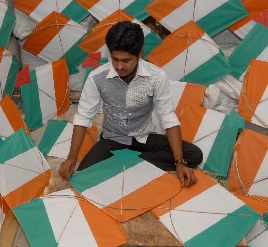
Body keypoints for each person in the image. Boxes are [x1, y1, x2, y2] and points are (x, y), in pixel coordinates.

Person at [59, 21, 202, 187]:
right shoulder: (97, 77)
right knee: (84, 177)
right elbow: (83, 117)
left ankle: (124, 164)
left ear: (140, 54)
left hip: (144, 138)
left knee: (193, 155)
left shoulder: (156, 77)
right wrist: (71, 158)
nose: (119, 66)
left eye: (126, 60)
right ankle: (133, 165)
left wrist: (179, 162)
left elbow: (168, 117)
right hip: (112, 139)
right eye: (115, 59)